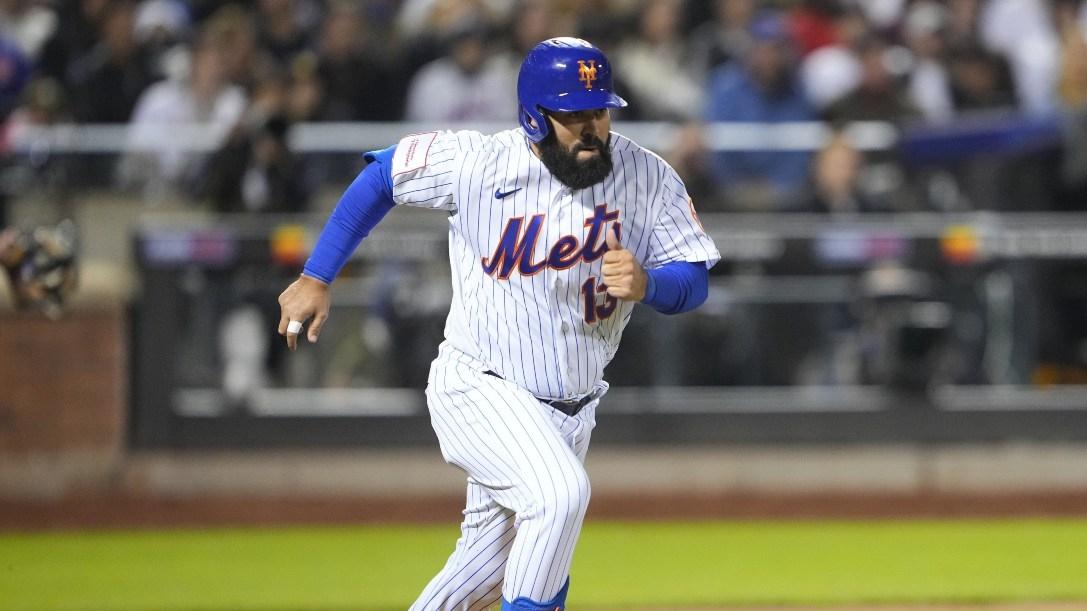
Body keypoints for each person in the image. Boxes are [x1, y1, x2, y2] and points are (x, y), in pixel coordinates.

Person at [276, 37, 719, 611]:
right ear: (534, 117)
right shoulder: (478, 163)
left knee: (484, 578)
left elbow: (695, 278)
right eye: (573, 114)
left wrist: (649, 284)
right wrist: (317, 275)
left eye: (600, 111)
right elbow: (382, 176)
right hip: (480, 386)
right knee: (558, 497)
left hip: (574, 409)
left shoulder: (647, 176)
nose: (591, 127)